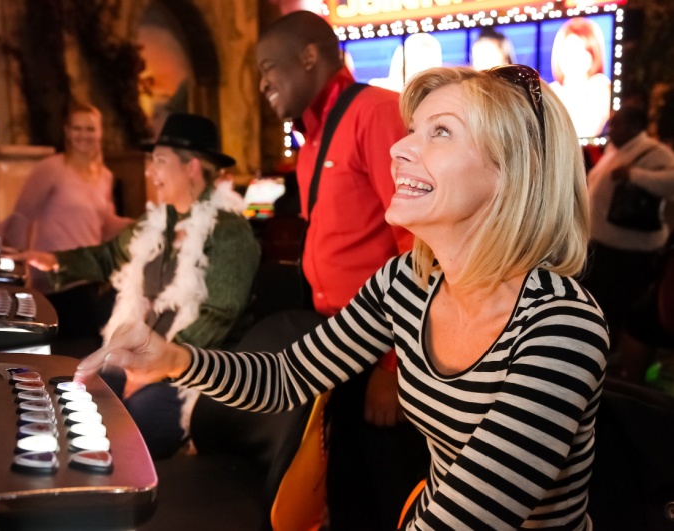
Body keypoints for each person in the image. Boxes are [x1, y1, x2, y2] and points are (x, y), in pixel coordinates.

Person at [75, 64, 609, 529]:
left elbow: (471, 516)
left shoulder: (562, 324)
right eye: (412, 130)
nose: (399, 148)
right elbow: (285, 379)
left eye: (440, 132)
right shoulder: (406, 282)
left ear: (511, 174)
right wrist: (173, 359)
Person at [257, 10, 423, 530]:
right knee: (346, 498)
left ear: (309, 57)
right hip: (338, 345)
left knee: (389, 498)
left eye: (268, 68)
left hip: (381, 350)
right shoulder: (310, 141)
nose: (263, 84)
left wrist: (393, 368)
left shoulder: (376, 113)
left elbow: (419, 246)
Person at [15, 113, 261, 459]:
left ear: (191, 168)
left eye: (159, 162)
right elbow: (108, 256)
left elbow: (219, 316)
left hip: (196, 373)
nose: (150, 172)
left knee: (119, 430)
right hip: (147, 356)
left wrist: (155, 368)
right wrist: (54, 261)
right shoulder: (157, 222)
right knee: (73, 393)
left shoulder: (230, 232)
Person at [0, 101, 132, 293]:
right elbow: (22, 218)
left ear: (100, 132)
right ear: (67, 131)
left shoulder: (105, 175)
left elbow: (105, 225)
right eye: (77, 128)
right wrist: (19, 271)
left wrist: (141, 222)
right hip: (52, 278)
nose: (83, 135)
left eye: (90, 129)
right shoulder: (51, 168)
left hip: (88, 275)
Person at [581, 105, 674, 371]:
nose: (611, 130)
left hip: (630, 252)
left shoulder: (654, 153)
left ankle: (615, 359)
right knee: (603, 303)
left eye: (618, 125)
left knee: (619, 307)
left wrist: (634, 175)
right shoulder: (616, 149)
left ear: (634, 127)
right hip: (603, 246)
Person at [549, 17, 611, 138]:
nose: (572, 57)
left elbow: (588, 132)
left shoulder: (600, 87)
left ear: (592, 55)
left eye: (580, 50)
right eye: (567, 49)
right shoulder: (551, 91)